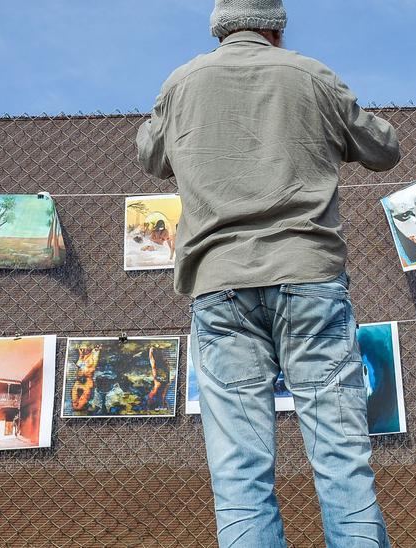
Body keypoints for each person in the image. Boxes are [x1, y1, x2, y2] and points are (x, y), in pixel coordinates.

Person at [135, 1, 399, 546]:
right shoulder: (310, 73)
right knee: (340, 459)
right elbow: (383, 148)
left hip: (219, 287)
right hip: (309, 278)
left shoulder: (181, 83)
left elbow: (150, 154)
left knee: (239, 474)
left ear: (219, 26)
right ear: (276, 26)